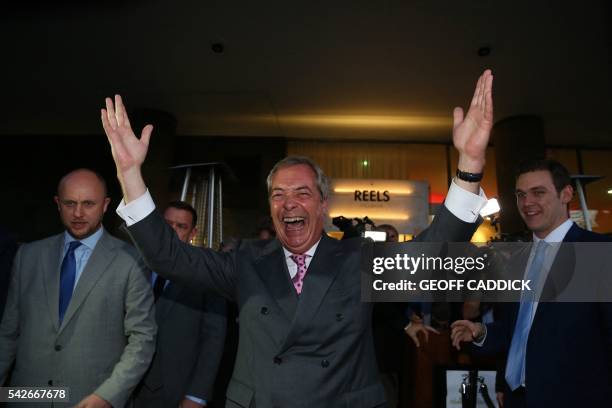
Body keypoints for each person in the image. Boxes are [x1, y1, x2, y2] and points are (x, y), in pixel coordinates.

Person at [102, 70, 493, 407]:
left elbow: (430, 253)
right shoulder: (245, 261)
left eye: (302, 193)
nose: (289, 204)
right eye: (278, 195)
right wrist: (130, 175)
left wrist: (470, 166)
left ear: (322, 204)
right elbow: (169, 258)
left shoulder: (358, 259)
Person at [451, 159, 612, 407]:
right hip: (518, 399)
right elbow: (516, 331)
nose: (527, 203)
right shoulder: (516, 260)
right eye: (520, 195)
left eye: (539, 193)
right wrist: (481, 332)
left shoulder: (597, 253)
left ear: (566, 194)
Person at [0, 169, 156, 408]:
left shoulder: (131, 261)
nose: (78, 213)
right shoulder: (28, 256)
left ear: (105, 205)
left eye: (88, 204)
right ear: (57, 204)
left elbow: (142, 339)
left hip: (90, 398)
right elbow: (8, 332)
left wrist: (107, 396)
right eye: (70, 203)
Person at [133, 201, 227, 408]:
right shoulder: (134, 263)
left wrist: (197, 395)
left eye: (181, 226)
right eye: (167, 225)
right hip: (125, 386)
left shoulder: (207, 273)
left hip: (173, 390)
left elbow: (214, 340)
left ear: (192, 233)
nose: (173, 231)